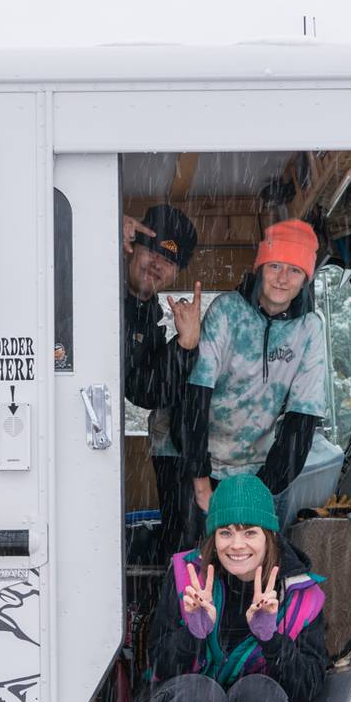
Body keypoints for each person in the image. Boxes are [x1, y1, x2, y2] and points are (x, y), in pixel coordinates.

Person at [137, 473, 329, 702]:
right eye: (225, 532)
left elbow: (311, 684)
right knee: (200, 693)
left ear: (269, 535)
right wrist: (193, 632)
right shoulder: (185, 575)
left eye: (249, 531)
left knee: (263, 693)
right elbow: (157, 666)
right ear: (213, 536)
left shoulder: (303, 593)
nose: (236, 545)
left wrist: (271, 639)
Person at [178, 219, 328, 528]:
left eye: (295, 270)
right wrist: (201, 483)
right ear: (260, 267)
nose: (283, 279)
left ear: (305, 279)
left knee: (256, 564)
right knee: (198, 565)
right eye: (275, 266)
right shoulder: (226, 311)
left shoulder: (309, 328)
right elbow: (196, 397)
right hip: (205, 466)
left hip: (262, 471)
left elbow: (303, 417)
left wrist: (264, 491)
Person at [120, 205, 205, 557]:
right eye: (151, 250)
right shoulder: (93, 276)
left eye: (168, 260)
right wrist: (99, 229)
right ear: (131, 247)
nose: (156, 264)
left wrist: (184, 346)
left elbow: (145, 391)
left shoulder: (147, 314)